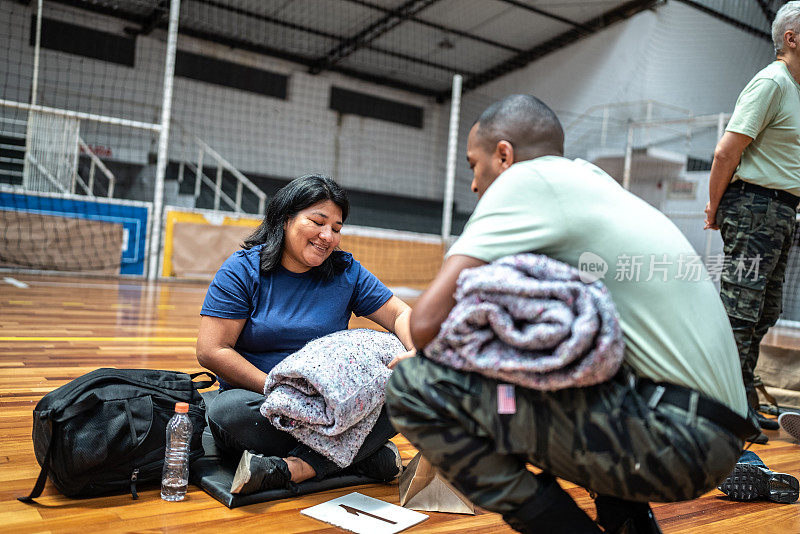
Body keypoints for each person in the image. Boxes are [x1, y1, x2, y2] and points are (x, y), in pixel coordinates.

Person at [385, 95, 755, 534]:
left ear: (504, 155)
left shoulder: (526, 182)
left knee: (415, 387)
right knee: (576, 375)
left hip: (673, 436)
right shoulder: (592, 184)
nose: (473, 183)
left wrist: (446, 358)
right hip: (712, 431)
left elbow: (426, 326)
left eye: (473, 164)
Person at [196, 174, 414, 494]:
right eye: (318, 222)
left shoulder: (345, 271)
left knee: (412, 386)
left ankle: (298, 467)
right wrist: (278, 388)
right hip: (265, 402)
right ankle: (359, 456)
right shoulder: (242, 269)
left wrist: (415, 351)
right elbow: (211, 350)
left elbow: (401, 313)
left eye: (336, 229)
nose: (327, 236)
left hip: (331, 406)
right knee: (225, 412)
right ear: (286, 219)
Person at [704, 1, 800, 442]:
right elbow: (727, 151)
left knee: (765, 310)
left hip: (781, 211)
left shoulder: (796, 89)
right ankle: (724, 408)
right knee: (741, 312)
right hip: (753, 207)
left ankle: (742, 396)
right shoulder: (771, 83)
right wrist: (713, 208)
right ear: (791, 38)